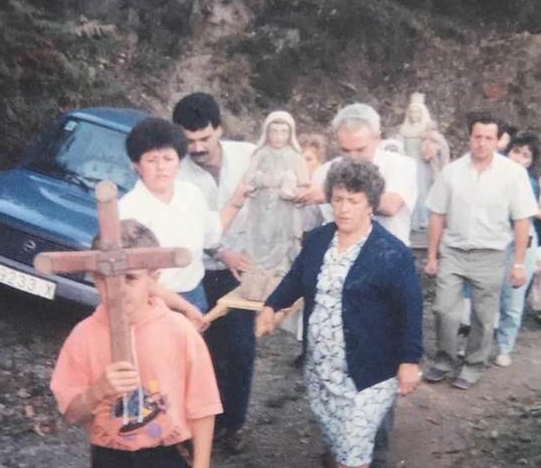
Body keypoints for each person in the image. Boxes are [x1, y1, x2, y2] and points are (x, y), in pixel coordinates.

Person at [256, 159, 423, 468]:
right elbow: (295, 279)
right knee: (340, 443)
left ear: (371, 204)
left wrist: (409, 361)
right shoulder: (320, 239)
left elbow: (411, 312)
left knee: (354, 451)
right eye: (338, 199)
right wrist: (271, 306)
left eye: (353, 201)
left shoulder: (392, 253)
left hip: (368, 374)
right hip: (322, 368)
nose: (343, 208)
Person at [50, 220, 222, 468]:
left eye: (130, 278)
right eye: (107, 279)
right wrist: (98, 391)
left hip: (168, 454)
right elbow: (72, 413)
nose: (117, 291)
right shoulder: (83, 335)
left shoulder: (179, 331)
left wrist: (202, 463)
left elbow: (203, 405)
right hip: (110, 456)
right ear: (96, 279)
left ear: (153, 278)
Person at [422, 112, 538, 389]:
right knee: (443, 310)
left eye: (489, 138)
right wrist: (431, 256)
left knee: (484, 316)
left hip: (492, 254)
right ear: (469, 138)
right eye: (477, 137)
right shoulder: (452, 172)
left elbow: (522, 220)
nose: (482, 143)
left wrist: (519, 264)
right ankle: (445, 360)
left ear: (498, 141)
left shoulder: (514, 174)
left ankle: (473, 365)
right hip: (454, 251)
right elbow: (437, 215)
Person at [172, 92, 256, 452]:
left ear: (219, 129)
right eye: (189, 141)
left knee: (240, 350)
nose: (198, 147)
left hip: (244, 271)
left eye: (205, 138)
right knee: (201, 351)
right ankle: (199, 426)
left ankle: (233, 423)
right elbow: (186, 228)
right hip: (200, 271)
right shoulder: (176, 171)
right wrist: (222, 252)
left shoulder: (250, 156)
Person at [119, 118, 248, 314]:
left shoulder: (192, 194)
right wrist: (185, 308)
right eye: (152, 160)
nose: (161, 167)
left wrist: (237, 200)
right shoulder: (128, 208)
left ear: (179, 161)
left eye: (168, 159)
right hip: (149, 302)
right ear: (137, 165)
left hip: (194, 295)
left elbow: (212, 233)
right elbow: (134, 276)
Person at [298, 103, 417, 247]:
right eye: (346, 150)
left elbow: (391, 206)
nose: (353, 157)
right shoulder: (324, 172)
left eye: (360, 150)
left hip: (385, 256)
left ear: (377, 139)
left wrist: (330, 195)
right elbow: (309, 225)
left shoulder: (400, 165)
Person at [238, 111, 309, 301]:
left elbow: (305, 184)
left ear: (290, 134)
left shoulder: (295, 157)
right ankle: (256, 279)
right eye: (274, 132)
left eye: (283, 132)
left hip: (283, 210)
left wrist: (291, 185)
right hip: (260, 209)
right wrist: (265, 180)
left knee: (281, 242)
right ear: (267, 133)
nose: (278, 137)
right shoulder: (260, 154)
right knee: (259, 241)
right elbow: (248, 180)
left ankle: (277, 278)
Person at [494, 130, 541, 367]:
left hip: (521, 242)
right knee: (485, 294)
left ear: (531, 161)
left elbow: (520, 218)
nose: (519, 159)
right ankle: (476, 341)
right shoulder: (492, 174)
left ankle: (504, 346)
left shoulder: (530, 183)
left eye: (525, 155)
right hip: (494, 240)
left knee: (513, 296)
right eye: (516, 151)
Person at [389, 93, 451, 232]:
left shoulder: (427, 130)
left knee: (423, 193)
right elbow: (399, 146)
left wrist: (432, 147)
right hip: (407, 165)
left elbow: (442, 146)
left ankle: (425, 221)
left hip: (423, 166)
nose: (414, 114)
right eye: (411, 111)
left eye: (417, 111)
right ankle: (411, 222)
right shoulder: (403, 130)